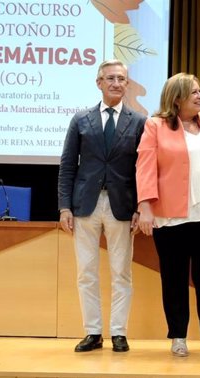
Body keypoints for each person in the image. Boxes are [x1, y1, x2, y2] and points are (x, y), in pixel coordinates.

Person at [136, 72, 200, 357]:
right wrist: (145, 206)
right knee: (174, 277)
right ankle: (178, 335)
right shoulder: (155, 126)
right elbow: (145, 167)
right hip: (170, 216)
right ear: (177, 97)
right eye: (194, 92)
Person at [58, 59, 147, 353]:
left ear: (127, 84)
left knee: (121, 271)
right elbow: (68, 165)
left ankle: (119, 332)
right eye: (110, 78)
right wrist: (64, 207)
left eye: (122, 79)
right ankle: (93, 332)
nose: (116, 83)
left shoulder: (138, 121)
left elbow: (141, 169)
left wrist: (139, 207)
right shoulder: (81, 119)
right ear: (99, 82)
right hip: (85, 205)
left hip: (122, 205)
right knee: (86, 271)